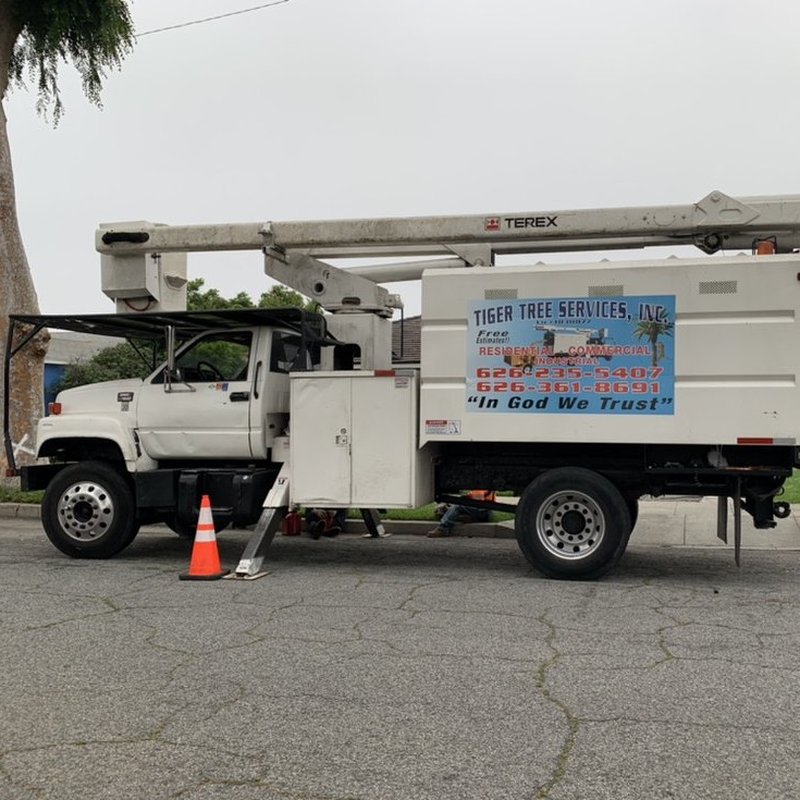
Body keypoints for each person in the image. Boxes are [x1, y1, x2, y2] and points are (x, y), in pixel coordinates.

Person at [427, 490, 496, 537]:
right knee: (455, 507)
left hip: (484, 511)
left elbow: (478, 502)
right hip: (487, 511)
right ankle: (466, 517)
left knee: (458, 506)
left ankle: (443, 529)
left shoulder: (480, 485)